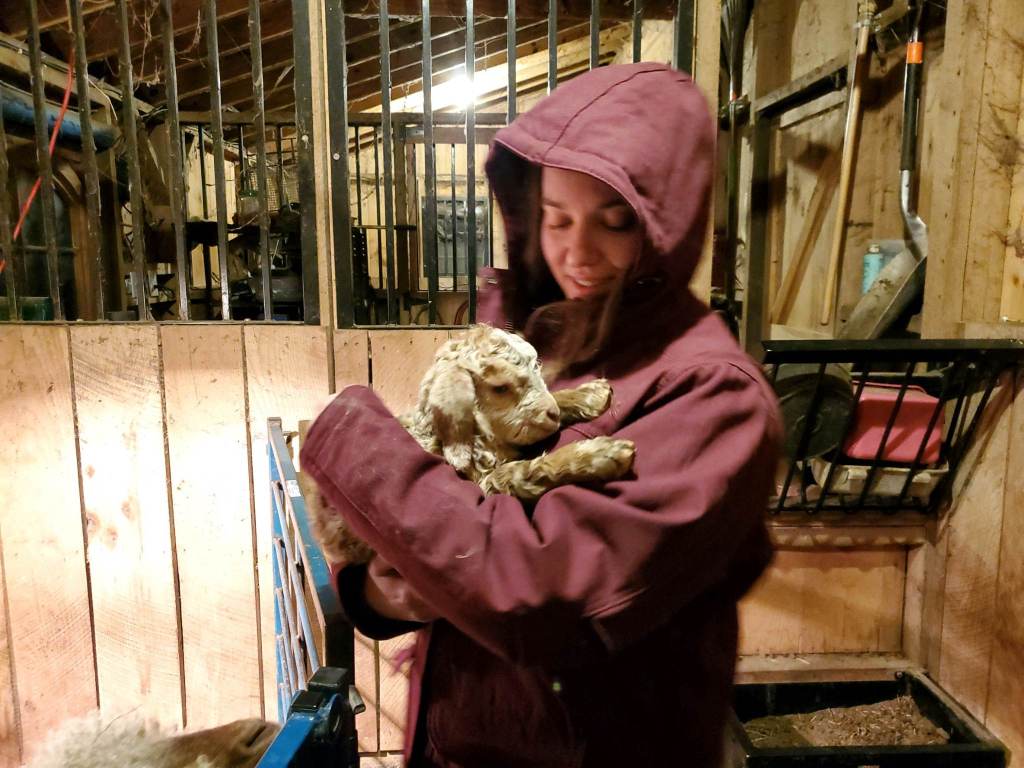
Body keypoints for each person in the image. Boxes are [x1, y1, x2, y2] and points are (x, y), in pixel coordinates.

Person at [300, 62, 782, 768]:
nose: (576, 252)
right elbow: (450, 515)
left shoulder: (713, 396)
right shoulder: (540, 339)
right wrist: (386, 589)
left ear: (665, 227)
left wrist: (353, 443)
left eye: (615, 224)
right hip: (466, 739)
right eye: (556, 218)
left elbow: (540, 592)